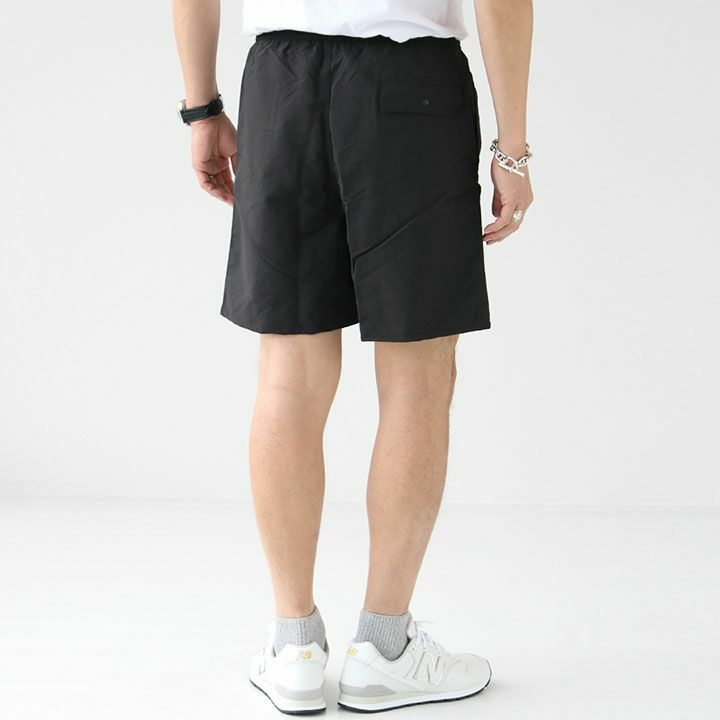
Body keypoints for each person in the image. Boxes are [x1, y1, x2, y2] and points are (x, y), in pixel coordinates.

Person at [173, 0, 533, 713]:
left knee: (289, 372)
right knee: (418, 375)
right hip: (412, 89)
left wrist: (201, 107)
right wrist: (513, 147)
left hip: (280, 86)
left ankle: (295, 649)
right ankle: (384, 650)